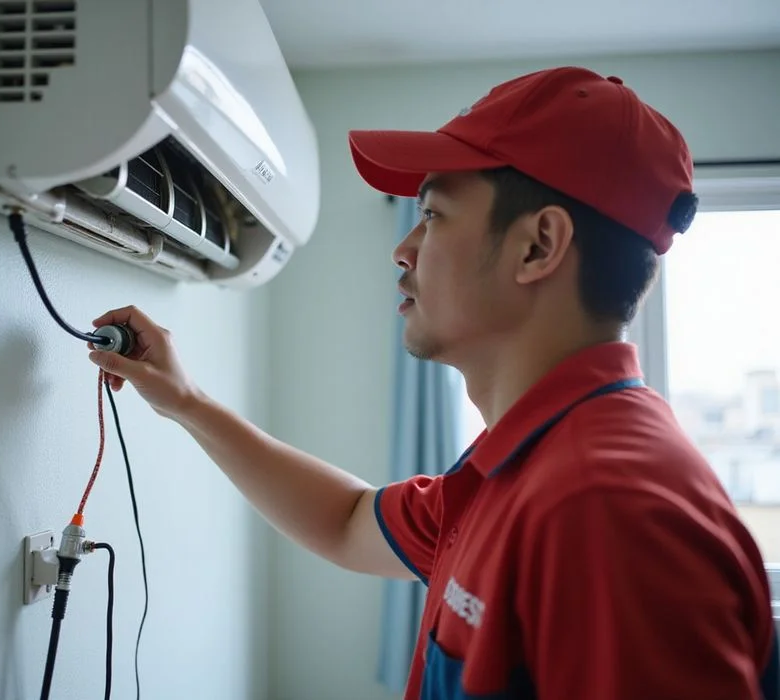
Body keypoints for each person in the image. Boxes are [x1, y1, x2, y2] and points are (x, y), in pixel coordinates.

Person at [88, 66, 778, 699]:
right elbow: (349, 521)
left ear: (538, 246)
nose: (403, 248)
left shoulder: (605, 510)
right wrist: (187, 403)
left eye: (432, 215)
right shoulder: (521, 466)